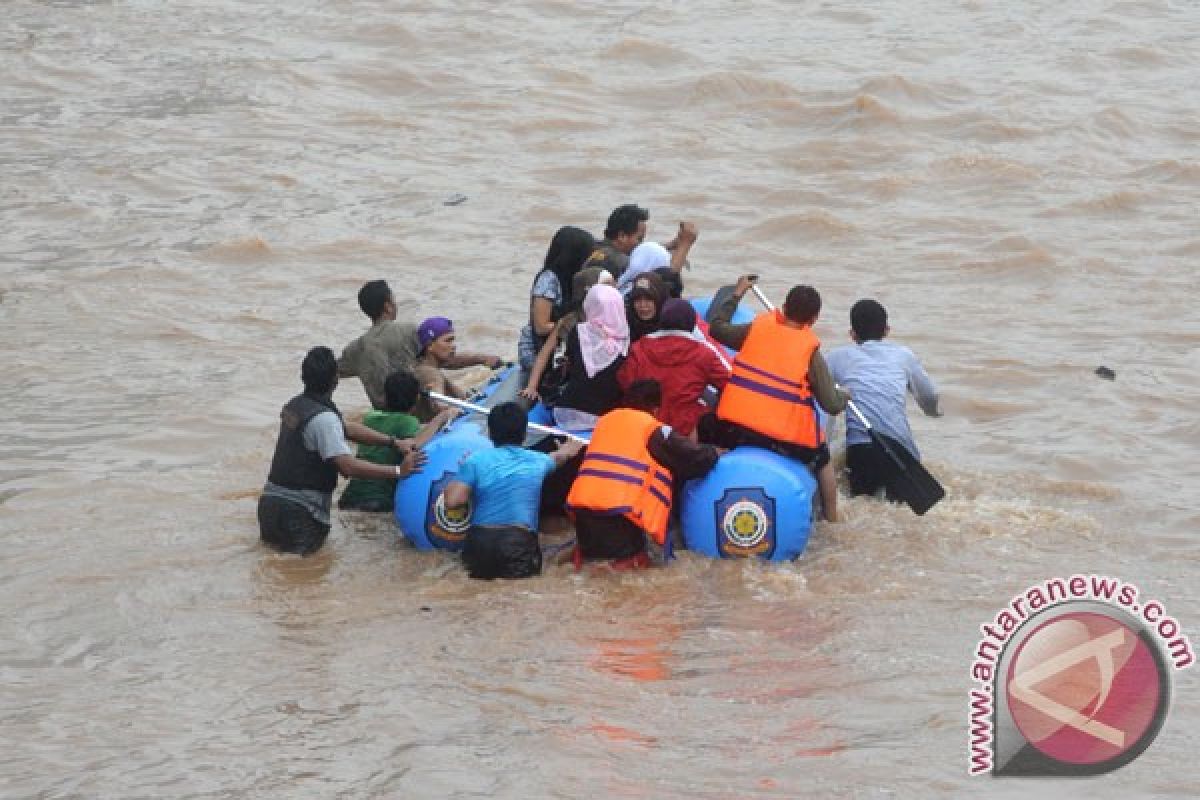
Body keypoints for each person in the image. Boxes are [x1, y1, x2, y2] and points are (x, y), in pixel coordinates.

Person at [705, 275, 849, 522]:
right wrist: (845, 396)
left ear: (783, 307)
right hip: (782, 438)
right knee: (823, 460)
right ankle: (832, 519)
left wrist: (737, 293)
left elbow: (716, 327)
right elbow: (831, 405)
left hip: (734, 429)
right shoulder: (810, 352)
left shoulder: (754, 330)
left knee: (705, 425)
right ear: (814, 319)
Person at [259, 347, 426, 555]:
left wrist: (392, 442)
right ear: (336, 379)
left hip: (269, 505)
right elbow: (347, 466)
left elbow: (346, 428)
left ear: (304, 376)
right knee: (306, 579)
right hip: (300, 512)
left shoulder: (296, 405)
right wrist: (399, 471)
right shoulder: (324, 419)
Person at [567, 380, 723, 568]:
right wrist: (715, 452)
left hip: (583, 515)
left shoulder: (604, 423)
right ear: (656, 409)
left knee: (594, 570)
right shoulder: (652, 430)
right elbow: (695, 458)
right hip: (620, 519)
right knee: (628, 573)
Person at [442, 403, 583, 580]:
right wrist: (568, 449)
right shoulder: (538, 461)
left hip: (480, 543)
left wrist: (462, 471)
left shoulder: (475, 461)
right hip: (517, 543)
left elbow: (453, 501)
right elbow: (559, 457)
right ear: (524, 434)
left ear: (491, 433)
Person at [824, 298, 941, 499]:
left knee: (864, 506)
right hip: (901, 448)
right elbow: (929, 396)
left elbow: (819, 393)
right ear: (887, 330)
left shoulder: (836, 357)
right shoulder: (904, 356)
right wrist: (933, 413)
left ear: (852, 334)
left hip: (861, 450)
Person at [339, 280, 501, 410]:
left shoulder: (354, 350)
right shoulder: (407, 331)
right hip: (417, 413)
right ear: (388, 306)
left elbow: (331, 373)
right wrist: (481, 358)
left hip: (385, 417)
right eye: (394, 301)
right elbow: (442, 358)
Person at [338, 370, 456, 512]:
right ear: (417, 399)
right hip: (379, 499)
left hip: (349, 497)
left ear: (386, 397)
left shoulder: (370, 417)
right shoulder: (409, 422)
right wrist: (441, 417)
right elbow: (415, 444)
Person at [618, 299, 731, 438]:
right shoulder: (704, 353)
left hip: (645, 423)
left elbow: (625, 382)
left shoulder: (639, 347)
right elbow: (728, 383)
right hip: (684, 427)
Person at [518, 266, 615, 405]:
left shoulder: (613, 321)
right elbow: (544, 353)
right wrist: (532, 387)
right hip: (565, 383)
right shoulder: (567, 322)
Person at [516, 226, 596, 387]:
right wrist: (576, 327)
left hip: (561, 343)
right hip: (537, 348)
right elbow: (541, 326)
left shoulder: (572, 277)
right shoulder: (548, 281)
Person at [551, 284, 630, 431]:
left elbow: (572, 366)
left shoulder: (577, 331)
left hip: (567, 411)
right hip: (605, 417)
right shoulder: (626, 339)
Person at [411, 316, 467, 422]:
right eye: (448, 341)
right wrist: (447, 409)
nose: (453, 346)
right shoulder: (431, 373)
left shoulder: (420, 367)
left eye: (453, 340)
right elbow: (438, 400)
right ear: (430, 346)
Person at [616, 223, 698, 295]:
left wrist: (676, 243)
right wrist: (685, 243)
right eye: (639, 239)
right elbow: (670, 276)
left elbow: (649, 254)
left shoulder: (621, 284)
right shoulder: (640, 293)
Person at [583, 204, 649, 278]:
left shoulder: (591, 250)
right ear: (622, 236)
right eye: (639, 239)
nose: (641, 244)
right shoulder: (624, 263)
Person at [625, 272, 668, 343]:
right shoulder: (624, 326)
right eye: (637, 299)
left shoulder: (671, 328)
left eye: (649, 299)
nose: (643, 305)